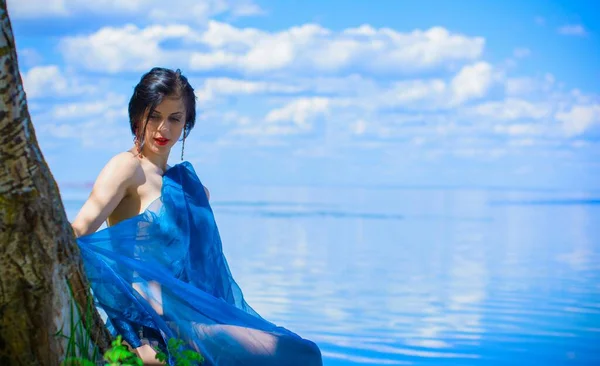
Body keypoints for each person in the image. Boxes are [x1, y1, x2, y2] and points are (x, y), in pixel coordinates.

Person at [71, 67, 322, 365]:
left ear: (186, 124)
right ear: (137, 116)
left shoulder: (191, 188)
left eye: (175, 118)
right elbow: (82, 227)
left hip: (188, 316)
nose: (163, 129)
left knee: (302, 353)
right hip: (142, 318)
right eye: (154, 116)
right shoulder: (127, 167)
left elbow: (205, 268)